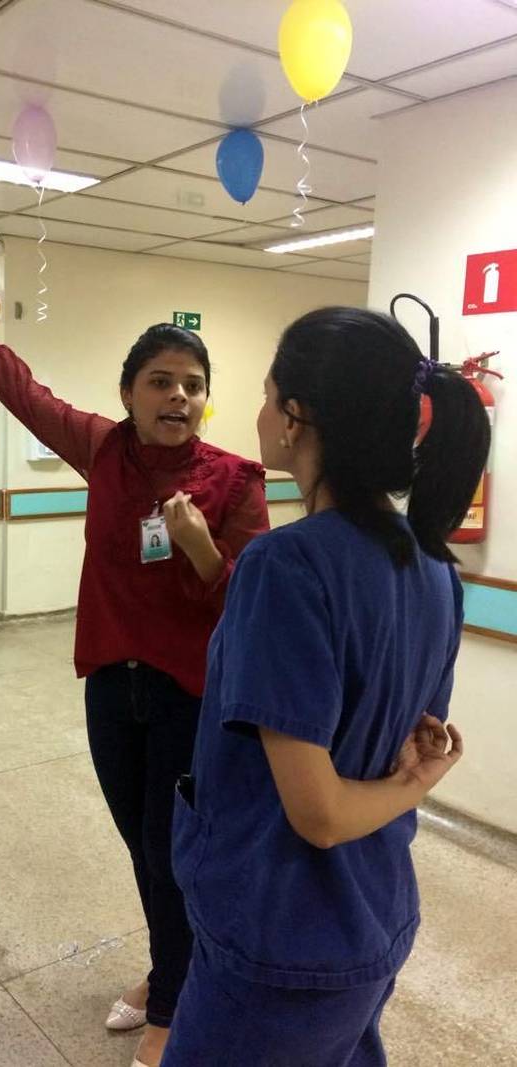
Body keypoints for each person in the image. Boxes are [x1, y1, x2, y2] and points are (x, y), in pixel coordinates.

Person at [0, 248, 270, 1067]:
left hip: (188, 693)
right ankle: (169, 963)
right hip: (111, 681)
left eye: (193, 384)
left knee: (171, 846)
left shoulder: (236, 483)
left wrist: (204, 549)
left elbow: (252, 605)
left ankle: (173, 1004)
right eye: (162, 381)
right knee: (141, 843)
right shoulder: (104, 450)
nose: (179, 396)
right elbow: (25, 394)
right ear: (129, 393)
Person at [161, 307, 491, 1066]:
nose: (259, 410)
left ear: (296, 416)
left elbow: (322, 813)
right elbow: (410, 730)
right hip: (370, 918)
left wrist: (420, 782)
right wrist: (413, 773)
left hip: (280, 940)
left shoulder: (289, 565)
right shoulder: (433, 567)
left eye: (268, 391)